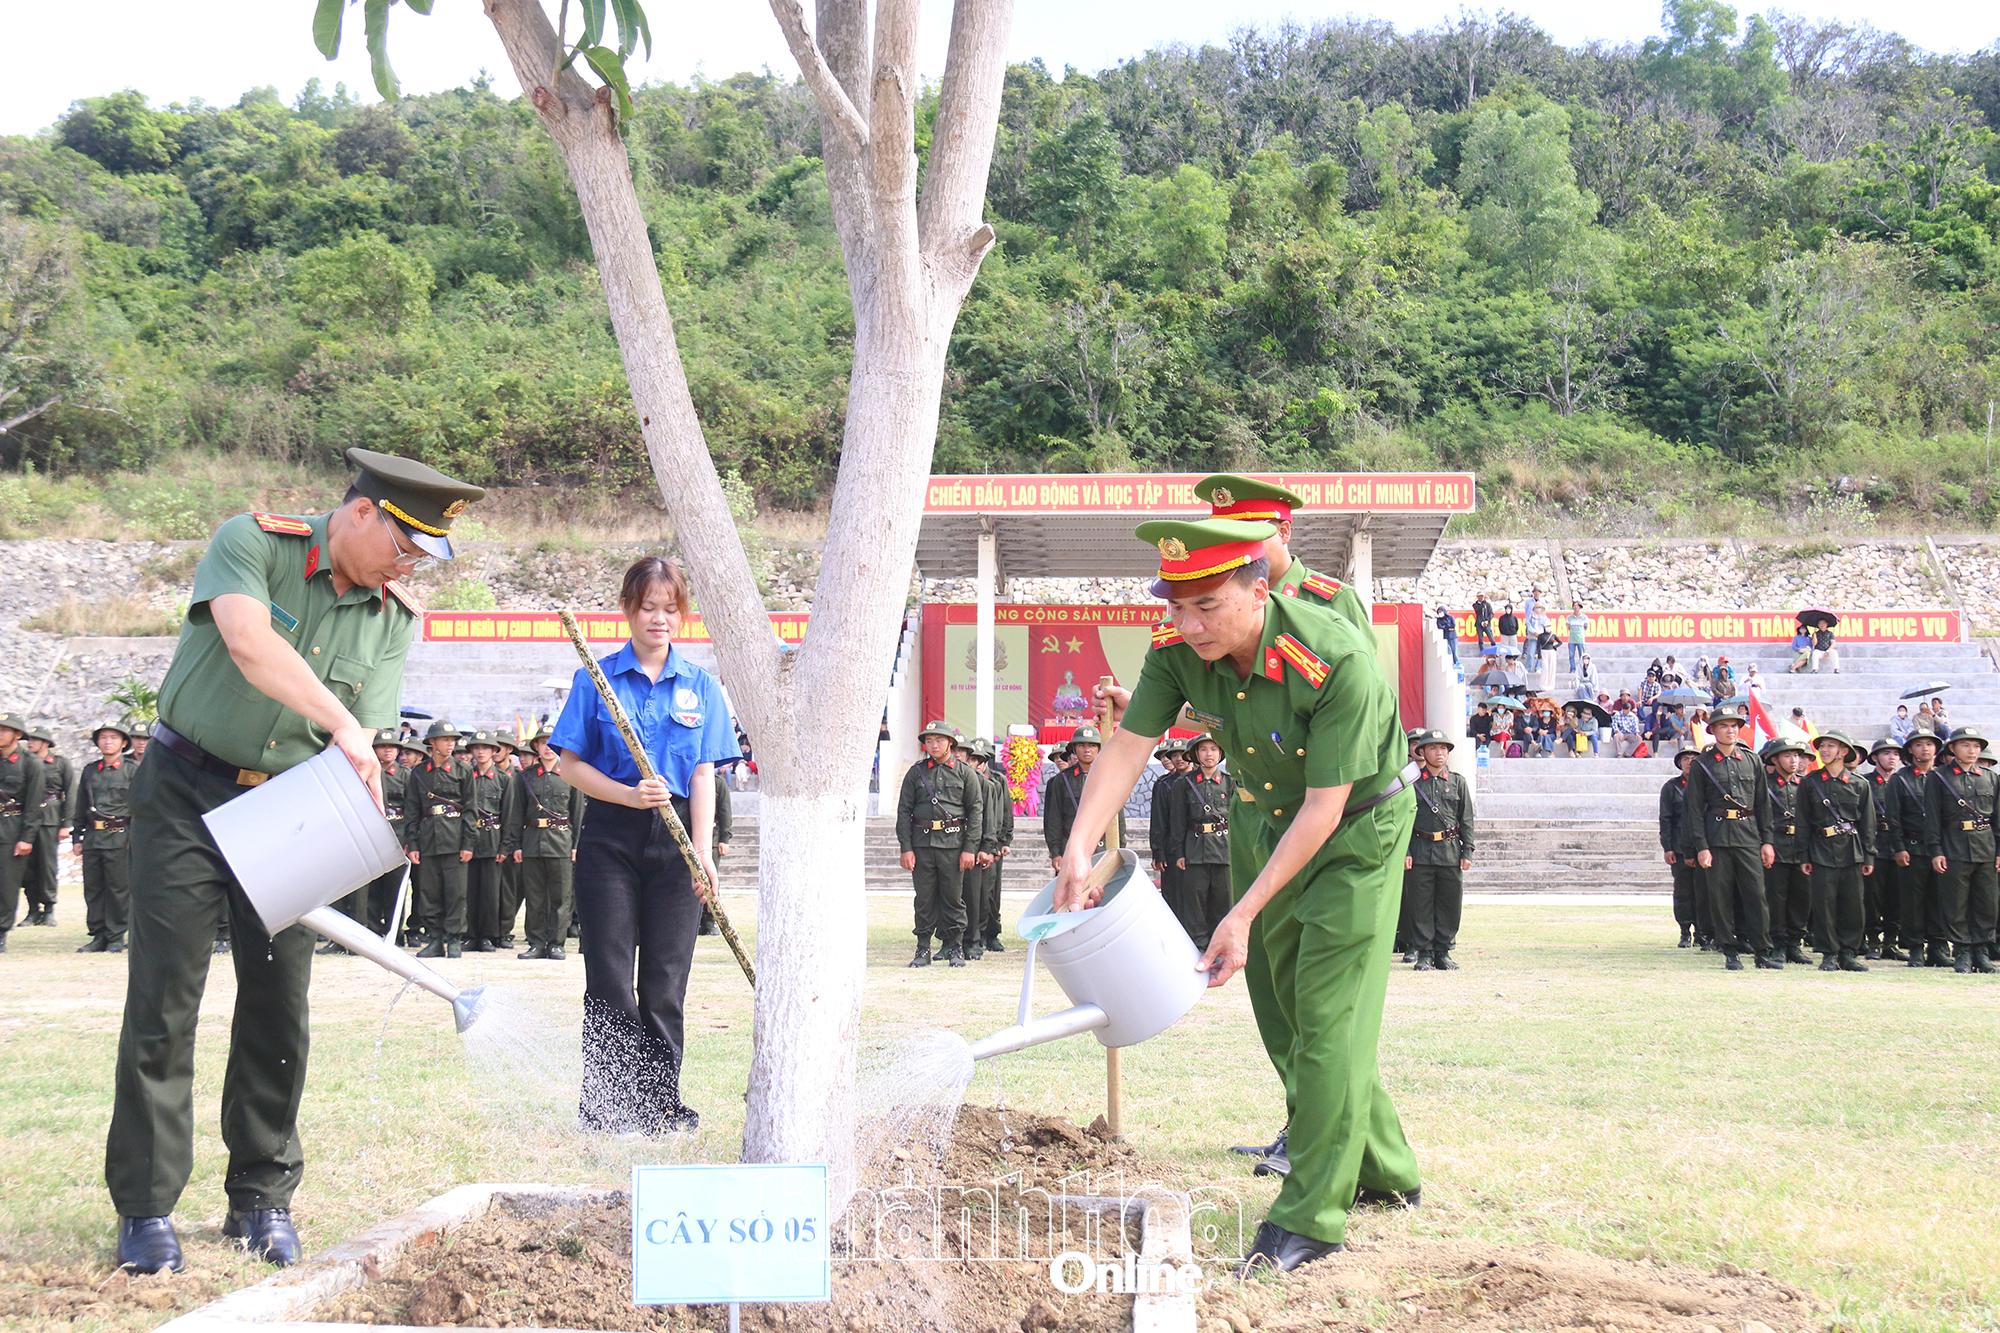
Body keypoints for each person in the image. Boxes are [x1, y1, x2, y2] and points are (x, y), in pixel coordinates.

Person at [104, 450, 482, 1276]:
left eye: (424, 556)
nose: (411, 565)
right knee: (166, 998)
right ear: (360, 513)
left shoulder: (392, 618)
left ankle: (261, 1197)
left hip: (289, 805)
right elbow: (248, 643)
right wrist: (343, 721)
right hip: (186, 793)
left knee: (279, 1004)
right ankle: (146, 1207)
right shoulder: (253, 542)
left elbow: (357, 742)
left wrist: (352, 776)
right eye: (405, 545)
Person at [1051, 516, 1423, 1275]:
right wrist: (1079, 843)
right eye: (1175, 607)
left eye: (1208, 606)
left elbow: (1326, 805)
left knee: (1326, 1011)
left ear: (1261, 589)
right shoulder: (1180, 650)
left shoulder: (1332, 656)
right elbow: (1130, 743)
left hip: (1356, 830)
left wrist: (1241, 912)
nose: (1188, 625)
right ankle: (1384, 1166)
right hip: (1265, 820)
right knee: (1283, 1011)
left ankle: (1313, 1213)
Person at [550, 555, 737, 1132]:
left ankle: (658, 1105)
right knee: (608, 971)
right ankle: (608, 1105)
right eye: (648, 608)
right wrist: (626, 796)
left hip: (677, 838)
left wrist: (702, 852)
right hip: (611, 834)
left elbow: (704, 773)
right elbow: (568, 765)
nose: (660, 619)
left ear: (683, 615)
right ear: (629, 610)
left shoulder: (701, 685)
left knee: (665, 976)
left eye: (670, 609)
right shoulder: (597, 678)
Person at [1195, 473, 1371, 638]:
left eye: (1251, 535)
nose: (1238, 548)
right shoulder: (1216, 601)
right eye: (1227, 538)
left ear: (1284, 532)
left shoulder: (1334, 601)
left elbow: (1360, 667)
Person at [1686, 705, 1778, 972]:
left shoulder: (1752, 760)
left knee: (1756, 895)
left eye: (1735, 725)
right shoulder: (1702, 765)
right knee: (1720, 896)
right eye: (1724, 726)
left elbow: (1763, 805)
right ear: (1713, 730)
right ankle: (1729, 950)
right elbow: (1694, 810)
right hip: (1717, 837)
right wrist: (1701, 846)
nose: (1731, 730)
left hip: (1749, 835)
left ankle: (1762, 950)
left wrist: (1767, 840)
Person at [896, 719, 983, 968]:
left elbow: (975, 813)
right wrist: (906, 847)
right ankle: (923, 948)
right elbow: (904, 811)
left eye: (939, 740)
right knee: (923, 899)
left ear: (950, 744)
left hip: (954, 845)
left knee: (953, 898)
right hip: (922, 845)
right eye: (929, 741)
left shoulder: (966, 773)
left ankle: (955, 947)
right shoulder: (916, 772)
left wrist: (970, 849)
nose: (933, 745)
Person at [503, 725, 584, 961]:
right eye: (543, 743)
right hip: (532, 842)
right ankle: (536, 942)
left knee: (561, 896)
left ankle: (556, 943)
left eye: (552, 742)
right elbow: (516, 814)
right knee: (535, 896)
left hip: (561, 842)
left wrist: (576, 845)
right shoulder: (525, 777)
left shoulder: (571, 775)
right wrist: (516, 845)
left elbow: (577, 814)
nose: (548, 748)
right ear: (536, 747)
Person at [1923, 727, 1998, 974]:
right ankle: (1962, 951)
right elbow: (1932, 818)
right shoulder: (1939, 777)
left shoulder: (1990, 777)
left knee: (1986, 902)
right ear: (1953, 749)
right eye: (1965, 745)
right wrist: (1935, 850)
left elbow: (1997, 819)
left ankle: (1981, 951)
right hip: (1953, 846)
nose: (1972, 750)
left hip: (1985, 847)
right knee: (1955, 903)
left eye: (1976, 746)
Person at [1799, 732, 1875, 971]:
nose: (1825, 750)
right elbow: (1803, 821)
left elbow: (1868, 823)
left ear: (1843, 751)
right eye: (1822, 746)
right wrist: (1804, 855)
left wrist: (1869, 855)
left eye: (1831, 746)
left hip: (1851, 850)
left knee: (1853, 905)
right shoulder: (1810, 782)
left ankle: (1848, 952)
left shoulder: (1860, 784)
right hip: (1821, 849)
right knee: (1824, 904)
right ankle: (1829, 953)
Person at [1404, 730, 1474, 972]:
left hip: (1450, 851)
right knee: (1420, 904)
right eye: (1433, 748)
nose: (1439, 753)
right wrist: (1405, 851)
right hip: (1420, 850)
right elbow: (1404, 821)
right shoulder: (1412, 784)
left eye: (1443, 748)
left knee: (1449, 904)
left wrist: (1468, 852)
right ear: (1421, 752)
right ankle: (1424, 952)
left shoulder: (1457, 782)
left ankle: (1443, 952)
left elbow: (1466, 820)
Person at [402, 721, 471, 954]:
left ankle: (453, 939)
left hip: (455, 838)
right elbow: (412, 810)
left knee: (456, 892)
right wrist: (412, 843)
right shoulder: (419, 773)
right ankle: (435, 939)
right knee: (428, 893)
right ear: (432, 743)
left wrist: (468, 843)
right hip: (428, 838)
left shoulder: (463, 771)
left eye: (453, 740)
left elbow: (471, 809)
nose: (450, 744)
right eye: (445, 739)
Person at [72, 722, 135, 954]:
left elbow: (140, 807)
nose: (107, 741)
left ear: (123, 743)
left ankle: (116, 935)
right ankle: (98, 934)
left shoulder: (132, 770)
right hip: (93, 837)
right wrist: (76, 837)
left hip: (120, 837)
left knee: (118, 888)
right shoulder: (90, 770)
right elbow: (81, 805)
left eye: (113, 737)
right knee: (94, 888)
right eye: (103, 737)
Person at [1887, 728, 1947, 968]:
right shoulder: (1900, 779)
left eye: (1930, 744)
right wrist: (1899, 847)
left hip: (1941, 848)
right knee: (1912, 901)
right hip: (1912, 847)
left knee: (1940, 899)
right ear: (1910, 749)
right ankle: (1914, 948)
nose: (1925, 749)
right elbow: (1893, 818)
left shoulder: (1944, 777)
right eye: (1919, 744)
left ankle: (1938, 946)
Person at [1175, 736, 1235, 949]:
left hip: (1224, 849)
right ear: (1196, 754)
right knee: (1195, 902)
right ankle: (1198, 946)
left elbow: (1237, 819)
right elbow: (1178, 821)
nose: (1209, 754)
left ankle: (1221, 946)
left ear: (1220, 753)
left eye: (1213, 749)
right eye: (1203, 750)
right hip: (1195, 849)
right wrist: (1179, 853)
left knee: (1223, 900)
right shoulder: (1184, 784)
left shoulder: (1230, 782)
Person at [1761, 737, 1814, 965]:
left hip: (1801, 848)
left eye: (1796, 755)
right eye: (1787, 756)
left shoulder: (1805, 785)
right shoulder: (1765, 786)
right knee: (1776, 898)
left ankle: (1795, 943)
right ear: (1774, 759)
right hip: (1777, 846)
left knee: (1801, 898)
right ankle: (1778, 944)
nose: (1794, 761)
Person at [1042, 724, 1121, 870]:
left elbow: (1117, 817)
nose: (1087, 750)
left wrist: (1119, 849)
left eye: (1092, 745)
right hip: (1070, 846)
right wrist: (1055, 852)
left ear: (1099, 749)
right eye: (1082, 745)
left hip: (1102, 847)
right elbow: (1053, 818)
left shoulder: (1109, 778)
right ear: (1074, 749)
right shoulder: (1062, 780)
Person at [0, 713, 48, 951]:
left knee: (7, 885)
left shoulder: (30, 763)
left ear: (17, 735)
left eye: (4, 730)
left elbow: (33, 804)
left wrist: (26, 838)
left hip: (13, 828)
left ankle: (1, 932)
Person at [459, 731, 509, 953]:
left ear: (493, 752)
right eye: (476, 748)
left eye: (485, 748)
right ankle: (470, 934)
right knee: (469, 891)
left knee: (490, 892)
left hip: (492, 838)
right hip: (469, 840)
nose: (480, 752)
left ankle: (488, 935)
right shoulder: (464, 775)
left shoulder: (504, 779)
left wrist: (505, 846)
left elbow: (509, 815)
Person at [20, 723, 72, 927]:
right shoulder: (25, 763)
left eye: (34, 740)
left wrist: (66, 823)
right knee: (27, 867)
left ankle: (49, 908)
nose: (30, 743)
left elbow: (70, 793)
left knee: (47, 865)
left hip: (50, 818)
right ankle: (33, 910)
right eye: (29, 740)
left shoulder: (60, 763)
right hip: (26, 818)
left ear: (46, 743)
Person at [1864, 737, 1909, 961]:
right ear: (1874, 757)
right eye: (1886, 753)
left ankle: (1891, 942)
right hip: (1876, 845)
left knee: (1896, 896)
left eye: (1895, 753)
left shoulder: (1903, 781)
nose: (1892, 757)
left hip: (1899, 844)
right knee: (1873, 897)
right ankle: (1873, 941)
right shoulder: (1865, 782)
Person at [1660, 749, 1706, 948]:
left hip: (1704, 847)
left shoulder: (1707, 785)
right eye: (1685, 759)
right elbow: (1666, 818)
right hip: (1679, 848)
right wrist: (1668, 847)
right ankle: (1685, 930)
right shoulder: (1672, 787)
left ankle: (1703, 932)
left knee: (1704, 892)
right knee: (1683, 892)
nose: (1690, 762)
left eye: (1694, 759)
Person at [1149, 738, 1194, 938]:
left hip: (1197, 845)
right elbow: (1158, 820)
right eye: (1174, 755)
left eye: (1183, 754)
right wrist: (1158, 852)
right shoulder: (1163, 785)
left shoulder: (1200, 780)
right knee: (1173, 895)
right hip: (1171, 848)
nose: (1179, 759)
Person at [1564, 604, 1588, 674]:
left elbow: (1585, 627)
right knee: (1571, 655)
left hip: (1580, 639)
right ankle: (1572, 669)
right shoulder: (1569, 617)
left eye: (1577, 606)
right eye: (1574, 606)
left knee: (1582, 655)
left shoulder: (1584, 617)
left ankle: (1583, 669)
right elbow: (1568, 627)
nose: (1575, 608)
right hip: (1571, 639)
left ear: (1580, 607)